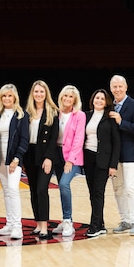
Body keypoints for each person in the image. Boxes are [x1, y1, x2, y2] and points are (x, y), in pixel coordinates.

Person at [23, 80, 61, 239]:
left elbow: (53, 138)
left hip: (44, 154)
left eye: (41, 92)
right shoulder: (26, 112)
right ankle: (38, 224)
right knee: (33, 190)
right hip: (29, 153)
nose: (39, 94)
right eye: (36, 91)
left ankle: (45, 226)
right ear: (32, 93)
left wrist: (48, 158)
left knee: (41, 189)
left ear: (46, 94)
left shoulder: (52, 112)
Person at [109, 75, 134, 236]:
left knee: (130, 188)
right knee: (117, 189)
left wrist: (121, 122)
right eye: (114, 87)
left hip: (129, 154)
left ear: (126, 87)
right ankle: (124, 220)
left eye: (120, 86)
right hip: (113, 155)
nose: (117, 89)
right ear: (111, 89)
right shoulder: (109, 106)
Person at [0, 84, 29, 240]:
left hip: (13, 159)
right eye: (4, 96)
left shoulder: (22, 115)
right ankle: (9, 223)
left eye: (9, 96)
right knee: (6, 191)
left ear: (15, 97)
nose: (7, 98)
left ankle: (17, 227)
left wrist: (17, 158)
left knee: (13, 190)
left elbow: (24, 139)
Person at [83, 89, 121, 238]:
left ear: (106, 103)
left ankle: (94, 226)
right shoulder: (86, 116)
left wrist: (113, 165)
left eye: (102, 99)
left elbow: (116, 143)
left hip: (103, 160)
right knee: (92, 192)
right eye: (97, 98)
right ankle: (101, 223)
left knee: (98, 192)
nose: (99, 100)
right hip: (88, 157)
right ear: (93, 99)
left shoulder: (110, 118)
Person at [54, 84, 86, 237]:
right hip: (56, 154)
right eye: (65, 96)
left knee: (63, 184)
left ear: (75, 100)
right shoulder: (55, 113)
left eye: (70, 96)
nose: (67, 99)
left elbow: (79, 139)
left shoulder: (79, 115)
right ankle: (65, 219)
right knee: (61, 188)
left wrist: (70, 160)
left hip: (71, 157)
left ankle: (68, 221)